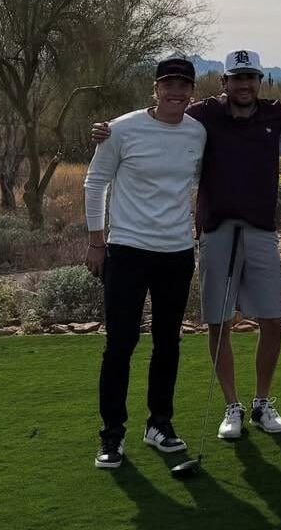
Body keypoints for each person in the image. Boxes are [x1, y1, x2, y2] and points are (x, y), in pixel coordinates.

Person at [92, 49, 281, 441]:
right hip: (214, 230)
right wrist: (108, 129)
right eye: (236, 78)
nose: (244, 85)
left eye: (251, 78)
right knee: (217, 321)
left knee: (272, 318)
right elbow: (160, 113)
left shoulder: (276, 116)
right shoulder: (205, 117)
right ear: (223, 84)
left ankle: (262, 402)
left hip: (259, 230)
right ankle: (231, 406)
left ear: (260, 81)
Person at [84, 56, 205, 470]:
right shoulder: (121, 129)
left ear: (192, 90)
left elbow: (207, 181)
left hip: (176, 252)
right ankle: (111, 435)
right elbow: (95, 181)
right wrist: (97, 241)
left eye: (183, 85)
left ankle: (160, 424)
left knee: (168, 342)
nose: (176, 92)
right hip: (128, 249)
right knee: (120, 344)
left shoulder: (197, 132)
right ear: (155, 88)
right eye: (168, 84)